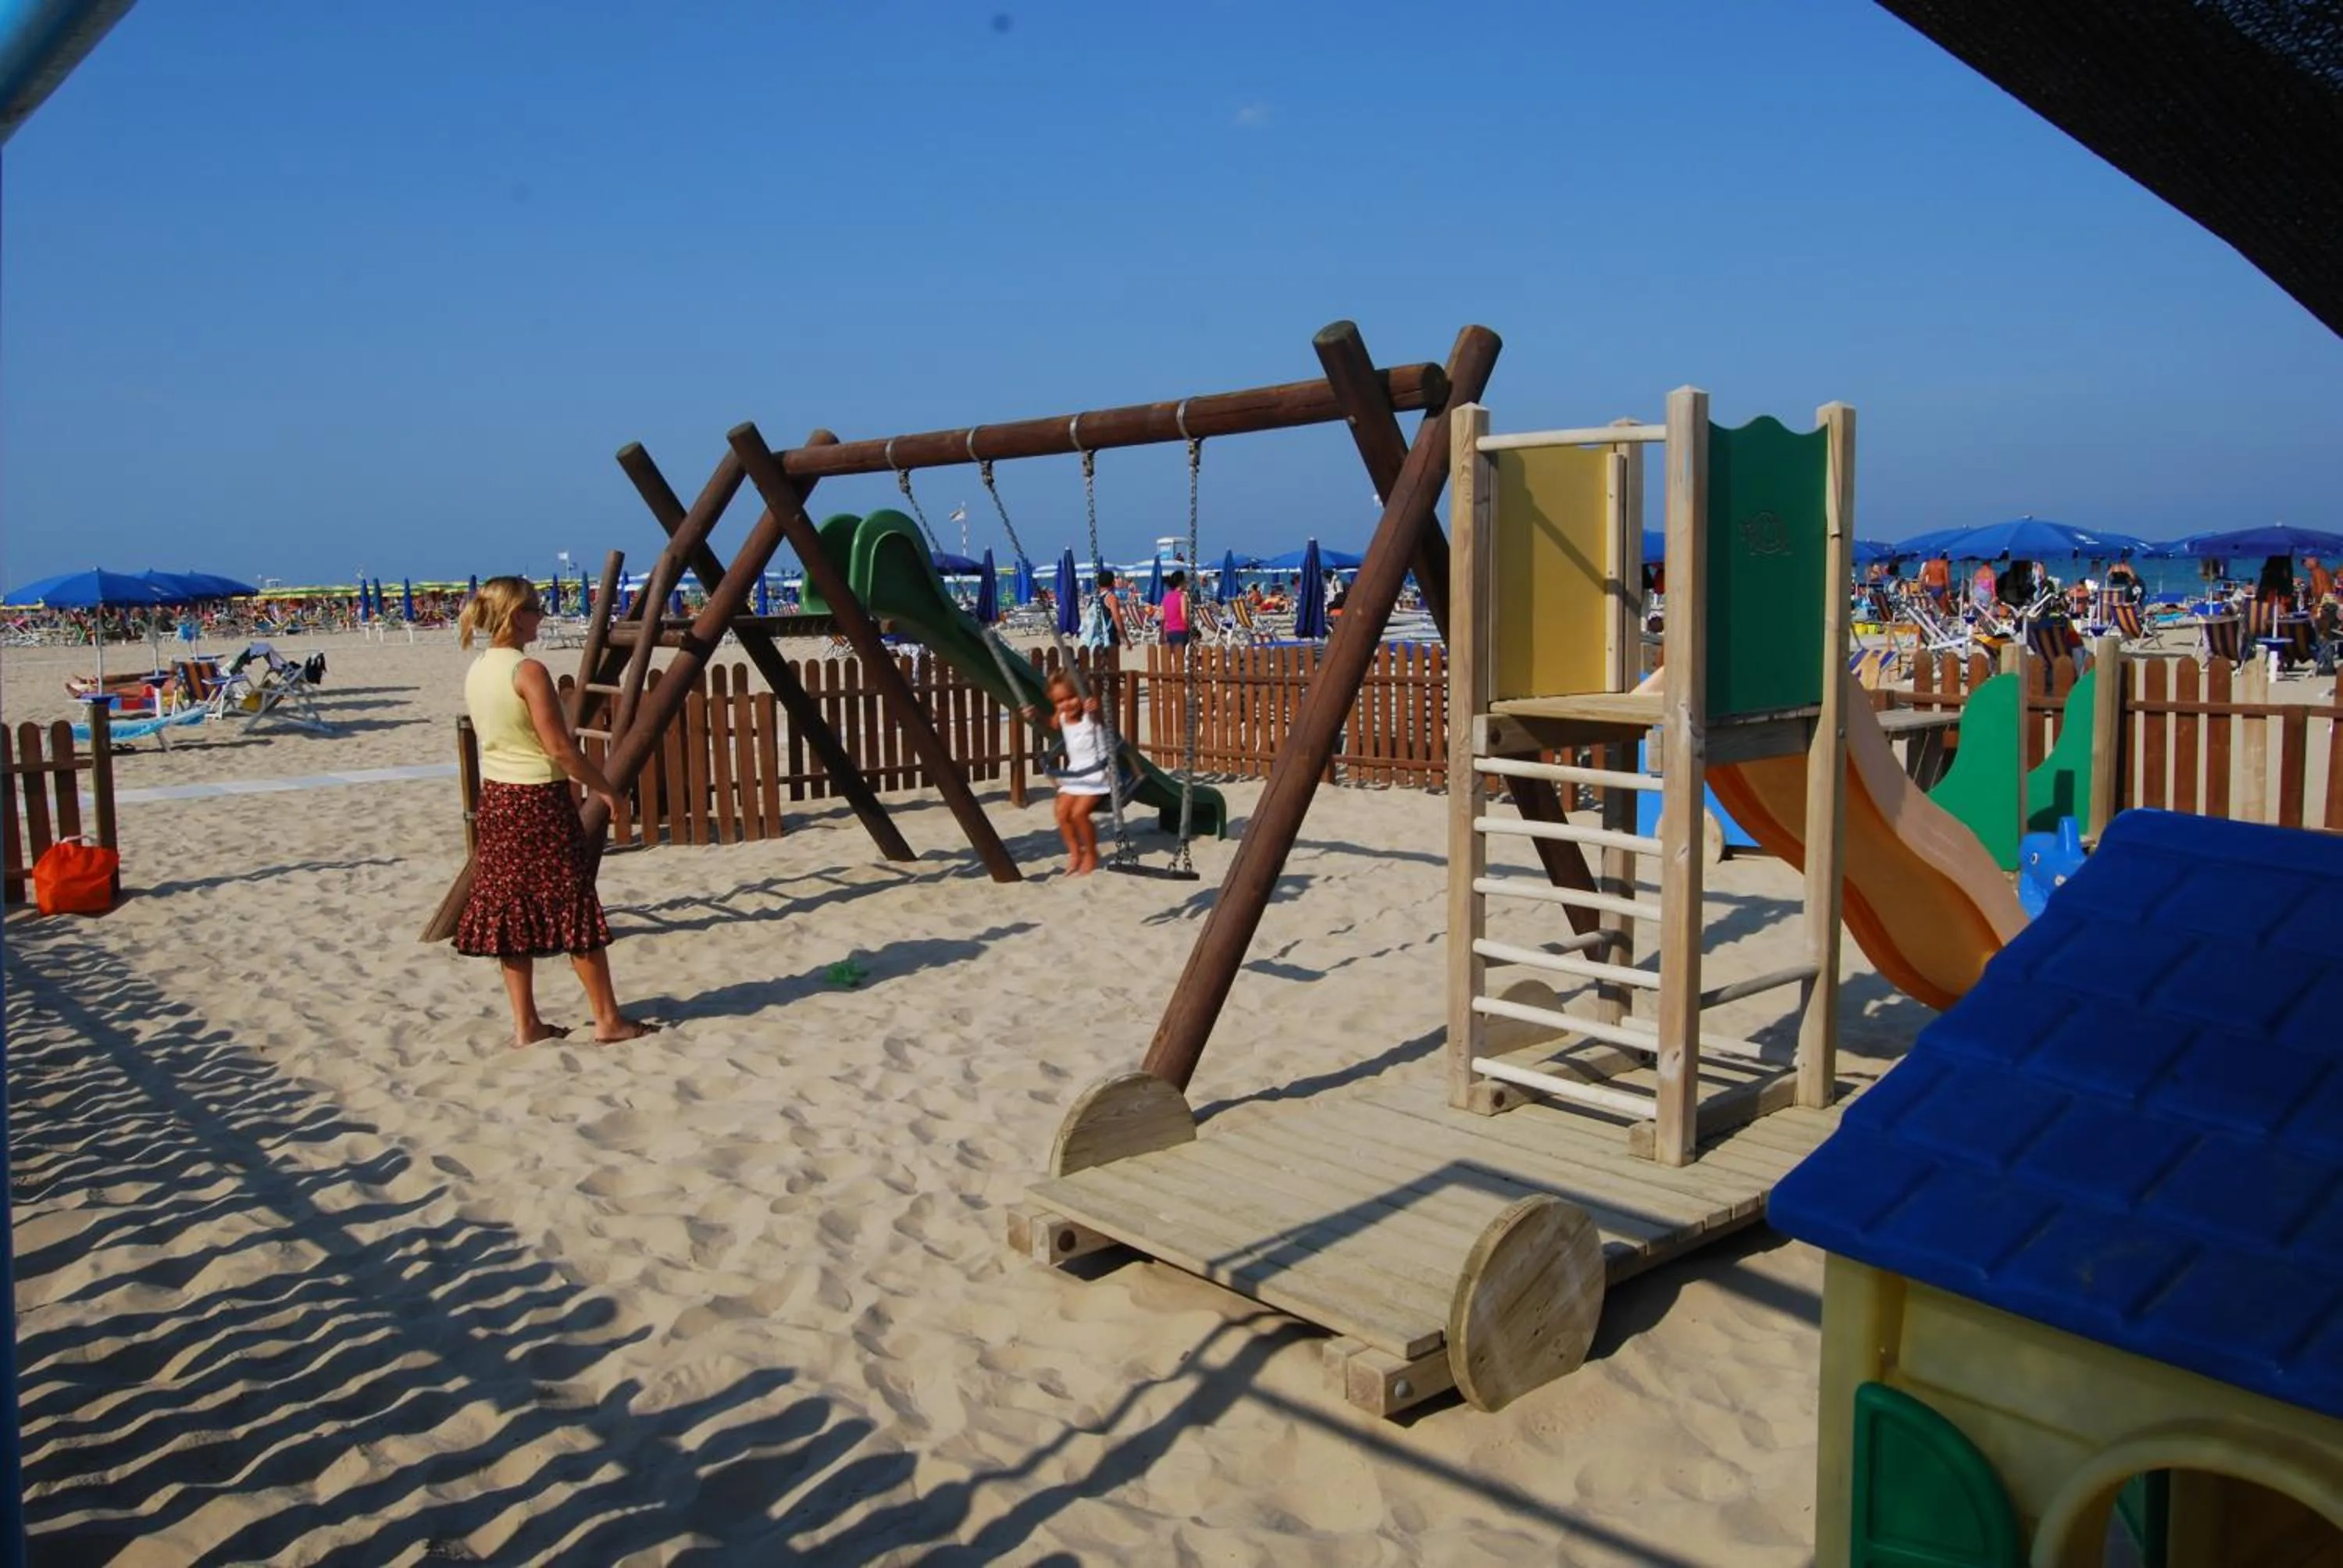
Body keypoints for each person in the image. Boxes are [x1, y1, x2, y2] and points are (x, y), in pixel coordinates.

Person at [453, 576, 656, 1048]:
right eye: (536, 608)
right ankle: (608, 1020)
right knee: (574, 904)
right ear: (515, 615)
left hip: (498, 798)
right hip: (537, 800)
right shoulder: (528, 671)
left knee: (509, 909)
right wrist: (606, 789)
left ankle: (526, 1025)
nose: (541, 616)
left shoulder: (479, 667)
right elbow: (560, 748)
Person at [1030, 670, 1111, 875]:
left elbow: (1100, 717)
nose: (1067, 704)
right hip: (1076, 772)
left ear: (1082, 695)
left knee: (1079, 814)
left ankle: (1092, 853)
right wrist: (1037, 716)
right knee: (1061, 812)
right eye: (1060, 701)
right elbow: (1051, 723)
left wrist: (1094, 707)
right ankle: (1075, 852)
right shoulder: (1063, 716)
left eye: (1072, 697)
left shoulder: (1090, 715)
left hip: (1098, 773)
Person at [1161, 569, 1192, 647]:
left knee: (1172, 657)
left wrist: (1162, 633)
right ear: (1181, 583)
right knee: (1181, 657)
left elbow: (1163, 617)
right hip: (1181, 631)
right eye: (1186, 582)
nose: (1187, 584)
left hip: (1169, 631)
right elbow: (1184, 617)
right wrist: (1191, 628)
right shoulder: (1182, 596)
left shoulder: (1166, 596)